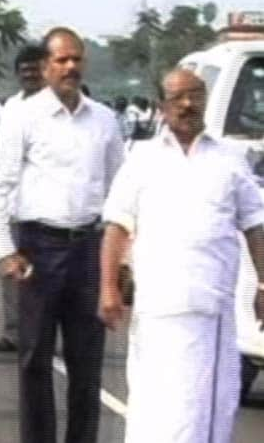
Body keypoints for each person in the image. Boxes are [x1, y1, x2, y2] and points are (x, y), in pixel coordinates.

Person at [100, 69, 264, 443]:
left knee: (207, 409)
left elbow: (255, 224)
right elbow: (116, 227)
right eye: (178, 98)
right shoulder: (142, 160)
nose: (188, 104)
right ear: (162, 106)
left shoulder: (230, 159)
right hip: (156, 309)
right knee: (154, 407)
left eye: (195, 95)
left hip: (211, 312)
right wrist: (109, 288)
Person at [0, 27, 124, 443]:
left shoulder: (104, 120)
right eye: (61, 60)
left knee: (87, 362)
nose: (70, 67)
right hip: (38, 249)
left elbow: (121, 193)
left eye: (76, 59)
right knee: (34, 360)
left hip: (89, 250)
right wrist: (6, 251)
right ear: (45, 68)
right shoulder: (22, 117)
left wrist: (121, 261)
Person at [0, 43, 46, 354]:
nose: (30, 75)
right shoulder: (11, 107)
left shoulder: (53, 109)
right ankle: (13, 332)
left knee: (42, 277)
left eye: (35, 69)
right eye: (24, 71)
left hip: (43, 207)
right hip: (12, 202)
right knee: (12, 270)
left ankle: (42, 335)